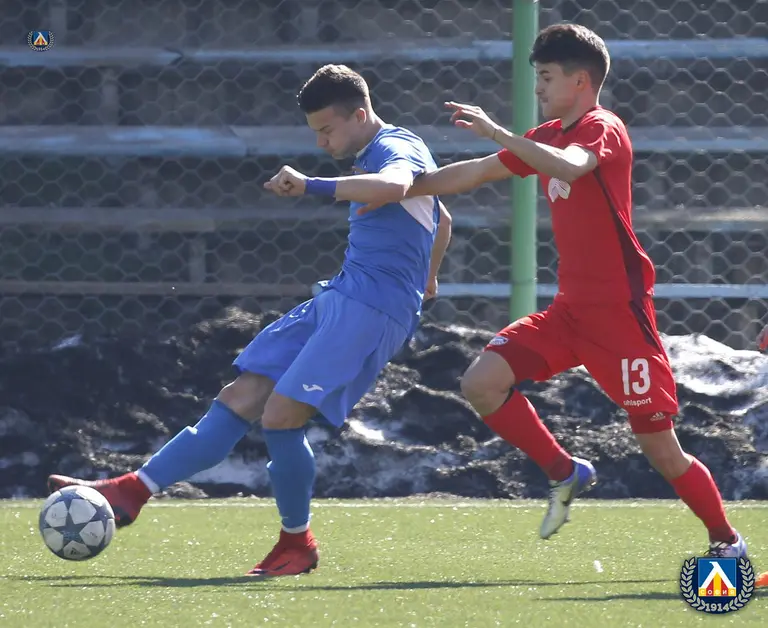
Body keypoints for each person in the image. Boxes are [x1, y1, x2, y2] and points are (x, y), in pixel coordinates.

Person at [48, 64, 453, 577]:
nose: (322, 142)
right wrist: (429, 277)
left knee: (281, 416)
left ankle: (296, 543)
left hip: (371, 309)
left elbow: (395, 185)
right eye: (316, 133)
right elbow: (442, 217)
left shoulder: (395, 147)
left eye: (328, 130)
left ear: (360, 114)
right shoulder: (374, 151)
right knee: (242, 394)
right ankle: (131, 491)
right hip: (343, 294)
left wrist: (312, 185)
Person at [358, 23, 746, 558]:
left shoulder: (602, 127)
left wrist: (497, 130)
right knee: (481, 383)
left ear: (580, 81)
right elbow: (476, 174)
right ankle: (564, 471)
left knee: (661, 448)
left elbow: (571, 166)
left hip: (619, 317)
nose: (537, 87)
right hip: (569, 314)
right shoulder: (545, 136)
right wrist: (398, 189)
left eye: (545, 76)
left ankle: (728, 542)